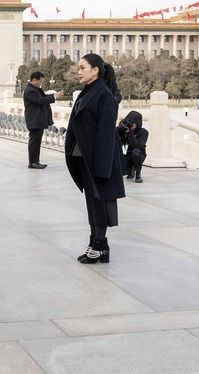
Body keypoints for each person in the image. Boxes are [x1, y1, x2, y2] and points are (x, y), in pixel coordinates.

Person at [65, 53, 125, 264]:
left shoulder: (104, 95)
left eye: (82, 68)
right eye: (78, 68)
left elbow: (106, 134)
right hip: (83, 157)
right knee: (92, 204)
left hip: (97, 160)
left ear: (95, 70)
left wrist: (102, 167)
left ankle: (99, 246)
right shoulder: (88, 91)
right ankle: (96, 244)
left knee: (99, 204)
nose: (78, 71)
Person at [23, 71, 63, 169]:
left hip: (38, 119)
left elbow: (44, 97)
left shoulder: (35, 89)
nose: (41, 83)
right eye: (40, 81)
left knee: (37, 141)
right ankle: (32, 162)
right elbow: (41, 101)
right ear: (34, 80)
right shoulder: (30, 90)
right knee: (34, 141)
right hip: (34, 119)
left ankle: (35, 161)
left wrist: (54, 96)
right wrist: (54, 97)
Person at [117, 110, 149, 183]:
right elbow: (114, 141)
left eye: (132, 123)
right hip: (128, 156)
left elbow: (138, 146)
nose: (130, 125)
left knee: (136, 152)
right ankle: (130, 170)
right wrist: (120, 128)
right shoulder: (124, 130)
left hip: (138, 155)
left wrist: (130, 133)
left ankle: (138, 173)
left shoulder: (143, 132)